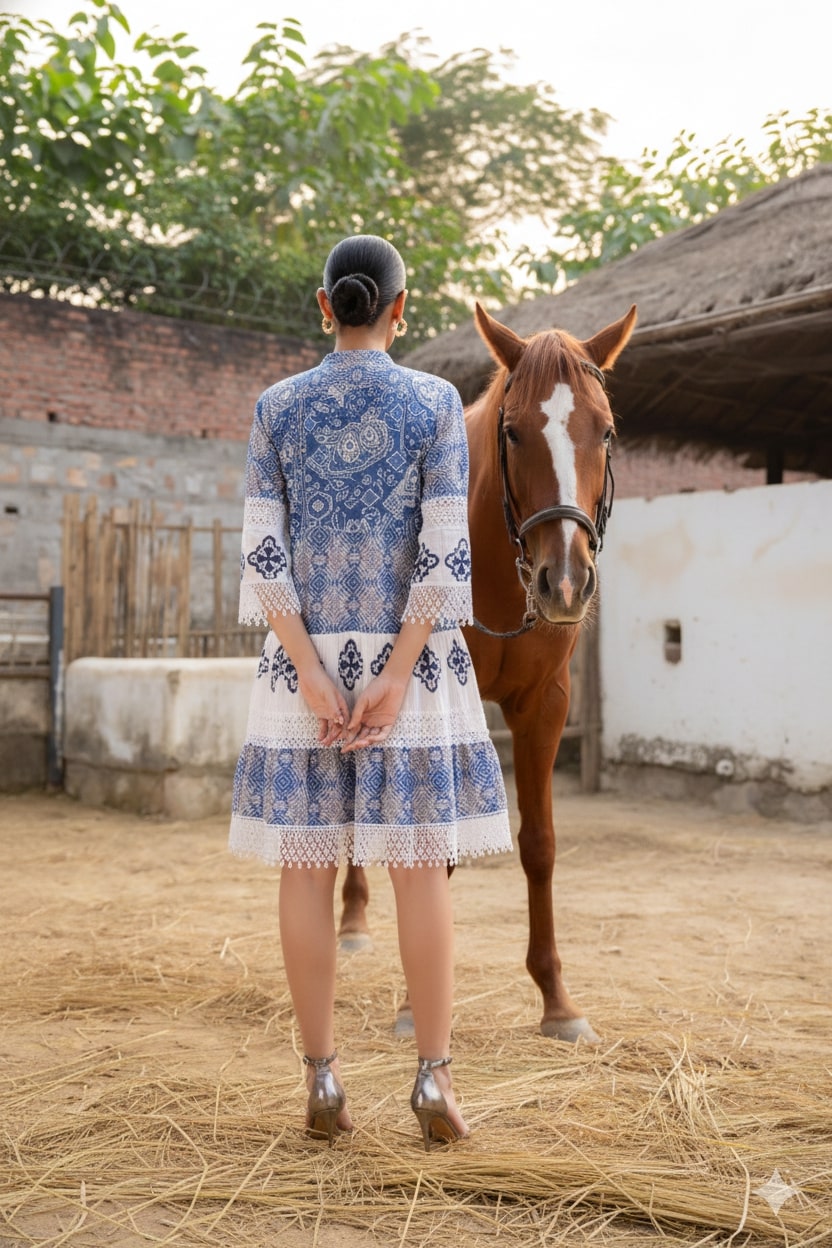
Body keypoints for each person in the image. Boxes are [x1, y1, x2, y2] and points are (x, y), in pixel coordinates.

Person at [229, 235, 512, 1149]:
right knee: (419, 871)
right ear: (401, 307)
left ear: (325, 306)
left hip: (299, 670)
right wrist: (393, 675)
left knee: (304, 871)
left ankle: (320, 1080)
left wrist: (311, 668)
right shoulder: (435, 404)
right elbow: (443, 554)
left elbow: (261, 552)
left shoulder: (276, 408)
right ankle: (433, 1081)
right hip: (412, 670)